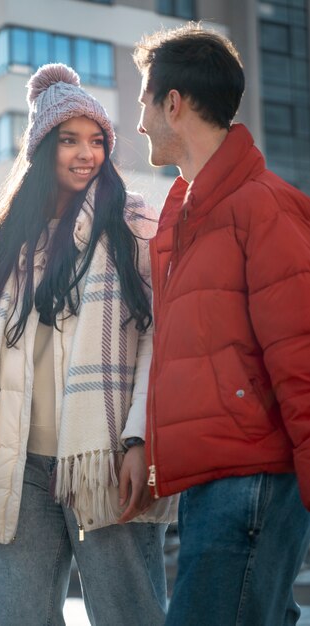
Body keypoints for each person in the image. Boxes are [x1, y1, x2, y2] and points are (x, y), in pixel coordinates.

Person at [0, 63, 172, 626]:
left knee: (129, 616)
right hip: (21, 463)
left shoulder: (134, 223)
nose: (87, 153)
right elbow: (9, 363)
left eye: (97, 140)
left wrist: (138, 439)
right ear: (41, 148)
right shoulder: (13, 240)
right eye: (69, 140)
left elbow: (162, 338)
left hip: (103, 458)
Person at [133, 23, 310, 626]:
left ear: (173, 103)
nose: (138, 123)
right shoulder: (188, 216)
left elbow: (301, 354)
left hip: (253, 479)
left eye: (143, 103)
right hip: (222, 479)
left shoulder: (262, 205)